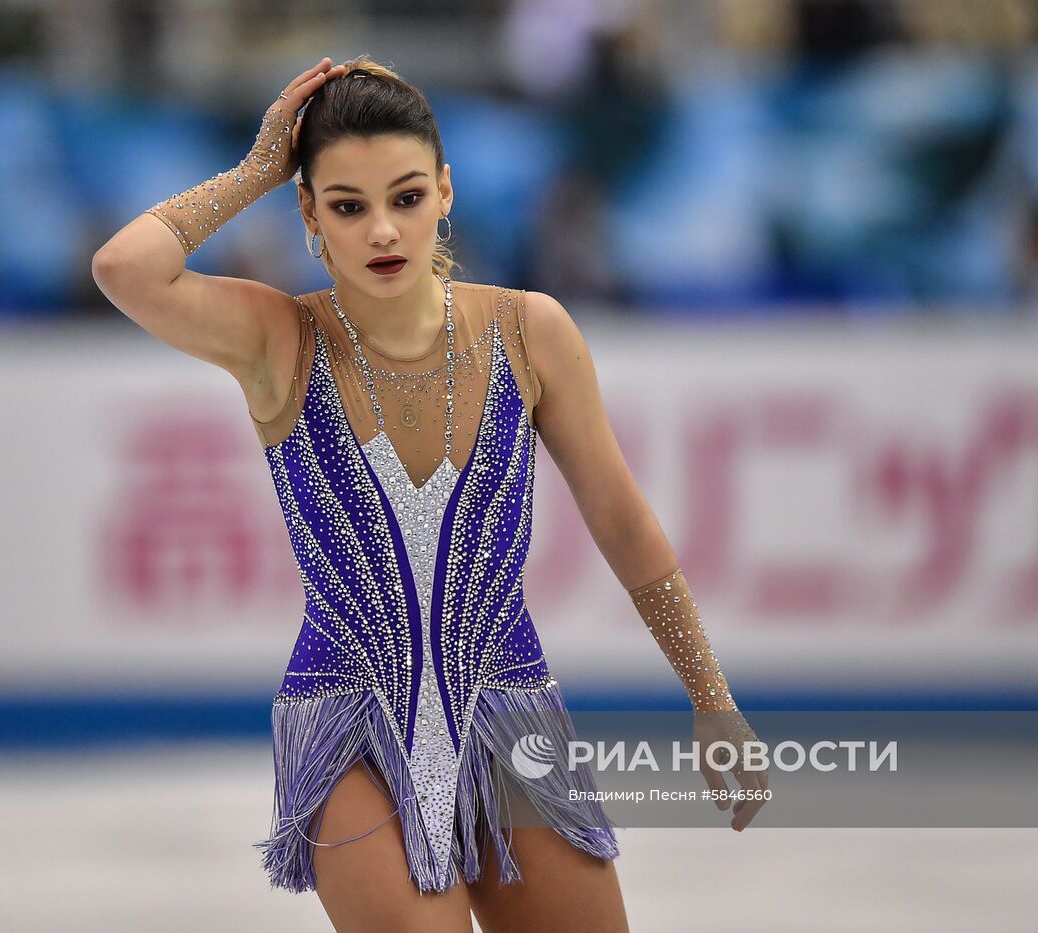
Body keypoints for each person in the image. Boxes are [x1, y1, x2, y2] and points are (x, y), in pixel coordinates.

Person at [92, 53, 767, 933]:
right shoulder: (279, 340)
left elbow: (621, 519)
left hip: (510, 703)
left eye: (406, 198)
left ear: (445, 192)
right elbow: (124, 269)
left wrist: (712, 700)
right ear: (309, 212)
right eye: (348, 205)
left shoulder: (530, 332)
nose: (382, 231)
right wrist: (258, 168)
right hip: (348, 722)